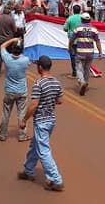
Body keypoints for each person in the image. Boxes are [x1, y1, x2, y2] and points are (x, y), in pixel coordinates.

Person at [17, 55, 64, 192]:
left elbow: (33, 105)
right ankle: (28, 170)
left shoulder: (39, 84)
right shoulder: (56, 82)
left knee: (43, 151)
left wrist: (24, 120)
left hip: (41, 122)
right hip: (51, 121)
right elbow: (60, 100)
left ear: (40, 67)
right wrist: (49, 101)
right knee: (35, 145)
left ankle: (56, 179)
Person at [0, 38, 31, 142]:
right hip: (21, 91)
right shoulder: (25, 60)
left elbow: (2, 46)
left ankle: (2, 134)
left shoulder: (7, 58)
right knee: (22, 114)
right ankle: (22, 135)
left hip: (9, 91)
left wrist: (13, 39)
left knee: (6, 113)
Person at [69, 13, 102, 96]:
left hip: (80, 52)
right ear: (89, 20)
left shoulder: (78, 28)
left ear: (82, 20)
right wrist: (100, 52)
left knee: (79, 69)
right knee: (87, 69)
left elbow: (72, 39)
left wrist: (70, 47)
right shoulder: (94, 29)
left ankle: (82, 82)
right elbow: (97, 41)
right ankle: (86, 83)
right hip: (90, 53)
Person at [0, 5, 17, 78]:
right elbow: (15, 30)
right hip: (9, 40)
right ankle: (10, 71)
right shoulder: (11, 19)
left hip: (0, 40)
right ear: (9, 11)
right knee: (9, 55)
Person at [62, 5, 83, 78]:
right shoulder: (82, 18)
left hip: (72, 40)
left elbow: (65, 29)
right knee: (80, 56)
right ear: (80, 10)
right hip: (81, 40)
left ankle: (75, 72)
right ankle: (81, 71)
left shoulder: (70, 18)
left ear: (73, 11)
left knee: (73, 57)